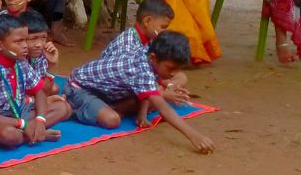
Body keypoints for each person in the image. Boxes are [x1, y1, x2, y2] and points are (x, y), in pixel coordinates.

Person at [68, 31, 214, 153]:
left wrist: (142, 114)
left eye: (177, 69)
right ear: (153, 58)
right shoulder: (141, 68)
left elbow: (147, 83)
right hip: (79, 88)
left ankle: (106, 107)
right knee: (112, 120)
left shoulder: (150, 54)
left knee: (152, 96)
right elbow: (164, 109)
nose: (172, 74)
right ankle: (71, 107)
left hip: (106, 91)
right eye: (170, 68)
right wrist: (194, 136)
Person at [0, 14, 72, 149]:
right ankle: (33, 134)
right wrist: (23, 124)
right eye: (18, 42)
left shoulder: (20, 61)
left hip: (18, 112)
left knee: (64, 108)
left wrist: (40, 120)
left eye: (25, 40)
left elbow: (39, 92)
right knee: (10, 135)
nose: (25, 46)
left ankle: (33, 131)